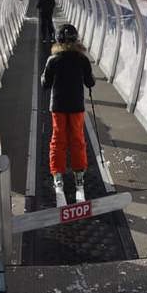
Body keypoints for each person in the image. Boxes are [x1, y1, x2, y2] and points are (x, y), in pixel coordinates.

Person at [41, 24, 95, 196]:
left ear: (58, 39)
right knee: (77, 140)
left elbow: (45, 83)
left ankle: (58, 176)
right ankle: (79, 176)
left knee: (58, 140)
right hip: (76, 106)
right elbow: (90, 82)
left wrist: (45, 76)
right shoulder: (82, 59)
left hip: (58, 106)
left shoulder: (53, 60)